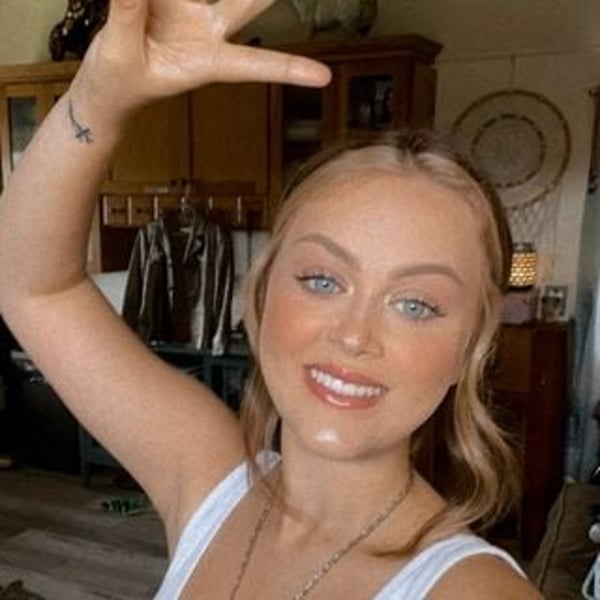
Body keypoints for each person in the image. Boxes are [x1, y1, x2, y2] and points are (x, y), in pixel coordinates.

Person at [0, 1, 542, 598]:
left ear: (471, 346)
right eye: (323, 280)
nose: (354, 335)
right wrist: (98, 97)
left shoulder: (475, 592)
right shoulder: (209, 476)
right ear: (260, 294)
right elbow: (31, 284)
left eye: (415, 304)